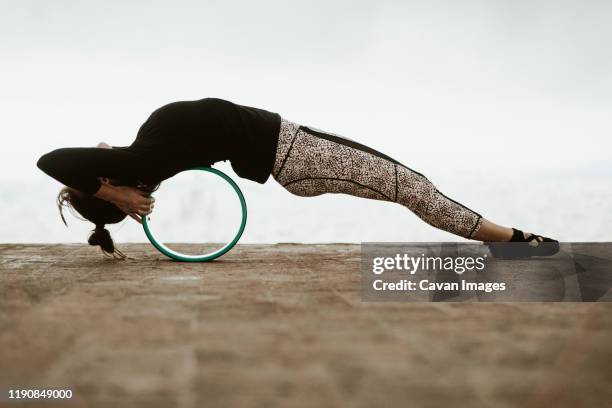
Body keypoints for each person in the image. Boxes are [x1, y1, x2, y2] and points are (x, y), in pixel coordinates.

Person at [37, 97, 558, 259]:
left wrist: (117, 192)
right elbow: (50, 158)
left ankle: (511, 238)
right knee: (414, 186)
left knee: (411, 186)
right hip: (298, 155)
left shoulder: (142, 152)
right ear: (102, 176)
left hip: (297, 148)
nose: (95, 143)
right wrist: (117, 192)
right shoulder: (132, 165)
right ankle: (513, 239)